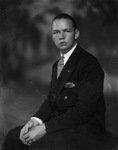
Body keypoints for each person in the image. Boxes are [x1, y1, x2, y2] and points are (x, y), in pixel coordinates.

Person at [2, 13, 107, 150]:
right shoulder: (57, 65)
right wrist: (35, 121)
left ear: (76, 34)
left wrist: (44, 128)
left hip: (85, 128)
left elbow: (83, 111)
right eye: (56, 32)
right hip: (60, 123)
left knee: (39, 145)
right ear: (52, 37)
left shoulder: (89, 64)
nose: (61, 36)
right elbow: (52, 99)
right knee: (13, 137)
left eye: (67, 31)